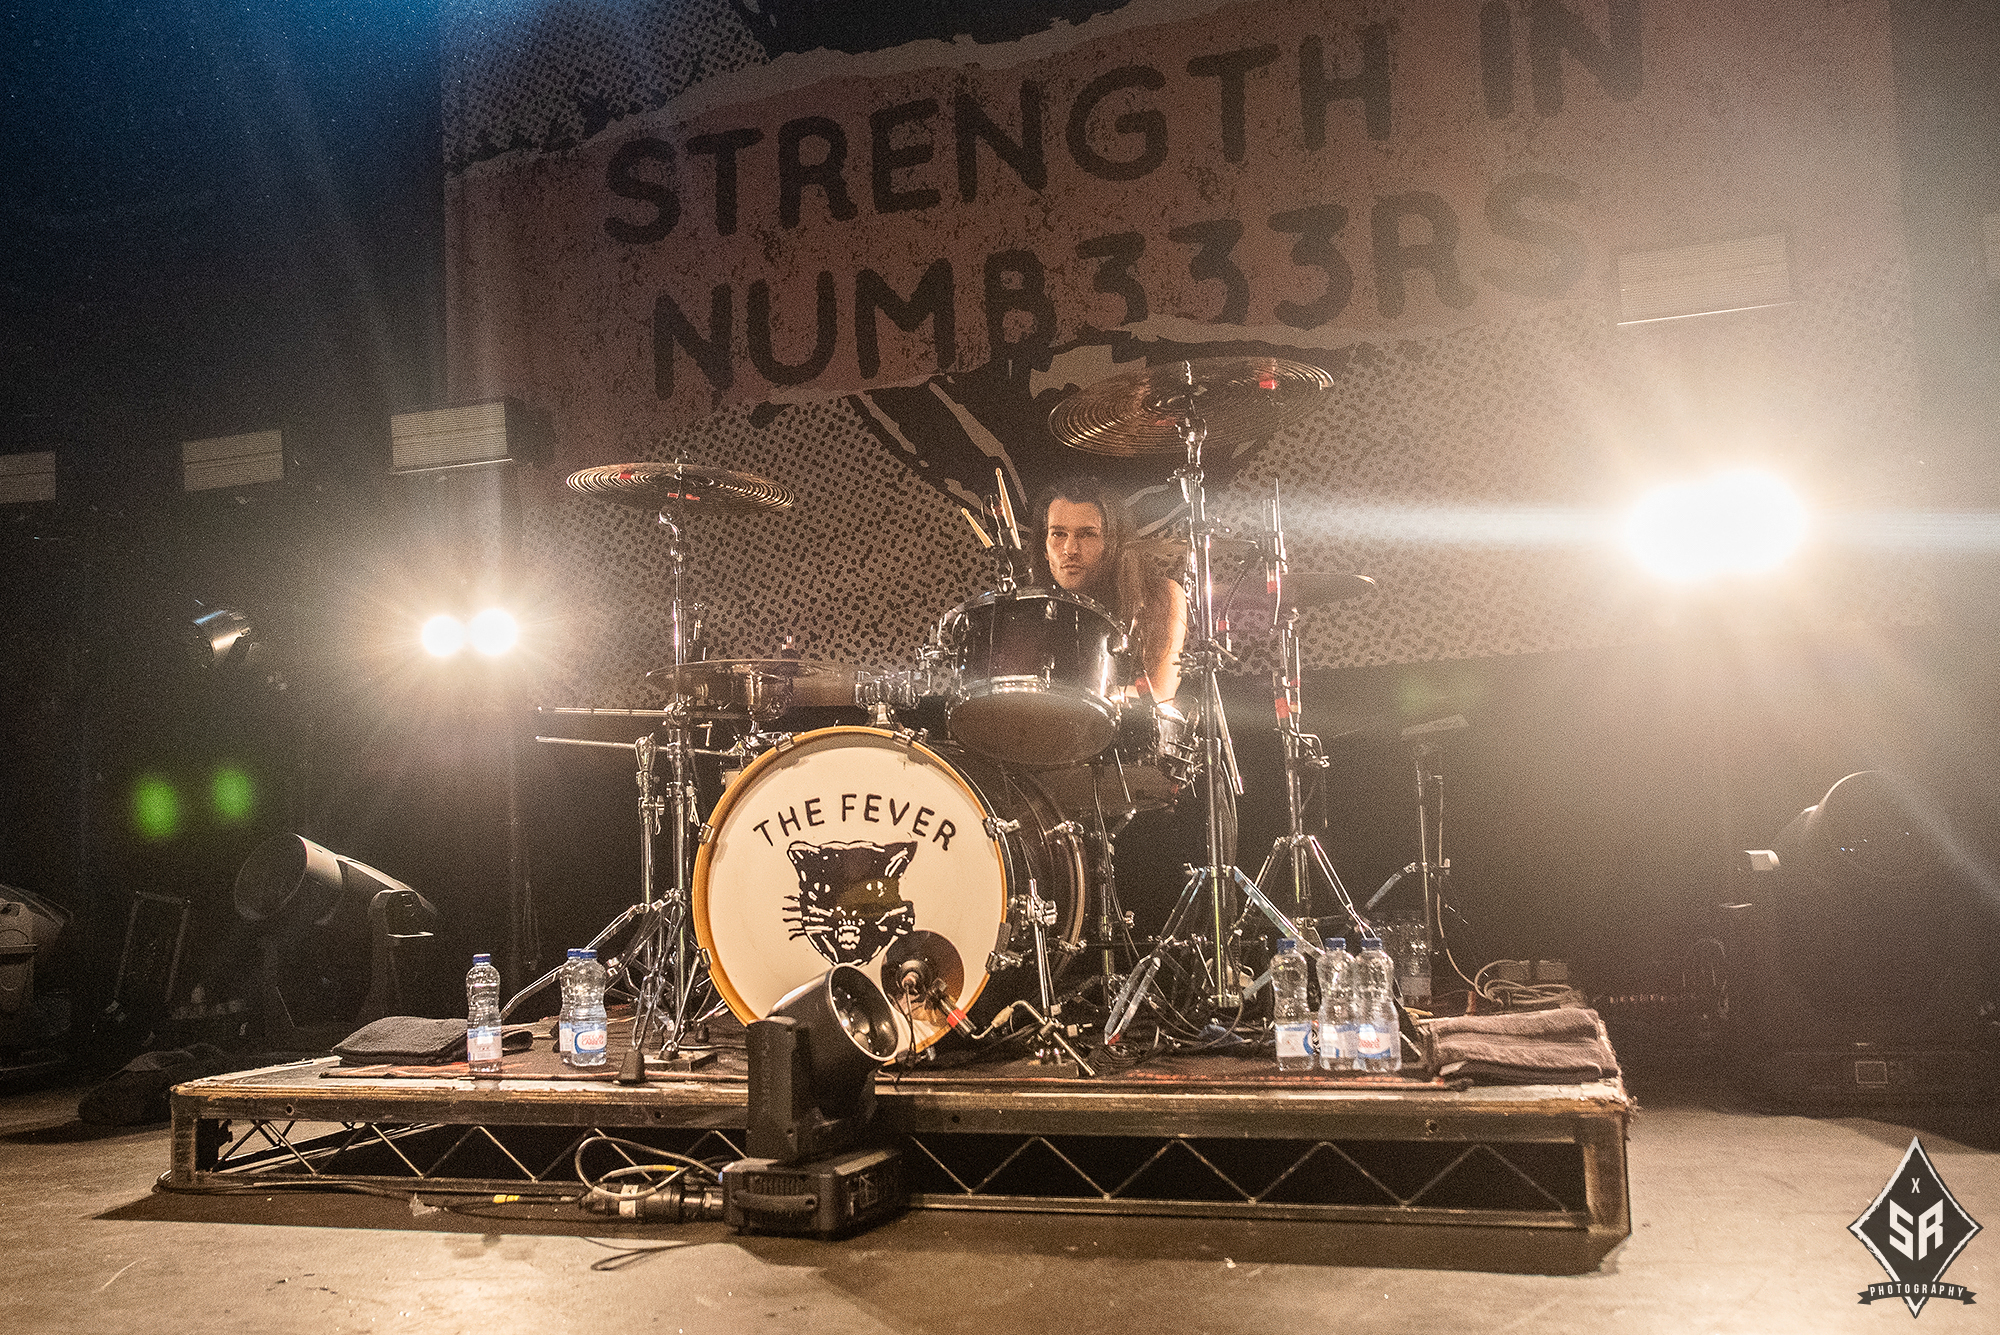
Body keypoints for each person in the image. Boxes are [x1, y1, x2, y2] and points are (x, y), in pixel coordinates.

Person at [1032, 476, 1186, 706]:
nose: (1070, 549)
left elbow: (1161, 694)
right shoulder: (1028, 607)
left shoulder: (1159, 595)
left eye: (1087, 534)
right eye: (1058, 534)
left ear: (1113, 543)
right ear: (1044, 548)